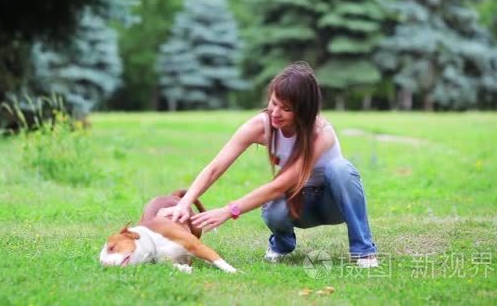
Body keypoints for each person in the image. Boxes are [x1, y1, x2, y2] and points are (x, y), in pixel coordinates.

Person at [158, 61, 378, 268]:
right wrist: (184, 203)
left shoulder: (320, 133)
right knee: (273, 207)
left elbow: (281, 184)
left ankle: (363, 250)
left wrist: (229, 210)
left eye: (286, 108)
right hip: (299, 205)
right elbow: (216, 167)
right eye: (274, 103)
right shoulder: (260, 126)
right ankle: (282, 245)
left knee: (340, 170)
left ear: (304, 111)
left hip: (334, 204)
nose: (275, 112)